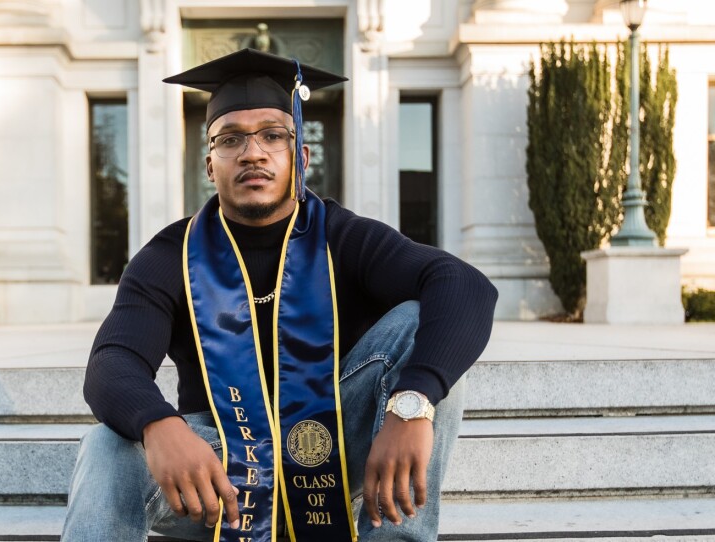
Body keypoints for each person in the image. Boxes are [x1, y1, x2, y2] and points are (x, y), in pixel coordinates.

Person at [62, 48, 498, 542]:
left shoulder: (341, 235)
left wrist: (413, 403)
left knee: (426, 322)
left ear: (301, 155)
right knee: (106, 443)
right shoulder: (169, 256)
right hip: (216, 478)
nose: (253, 152)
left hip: (328, 447)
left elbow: (464, 286)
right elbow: (112, 360)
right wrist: (159, 426)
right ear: (210, 164)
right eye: (230, 140)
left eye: (273, 135)